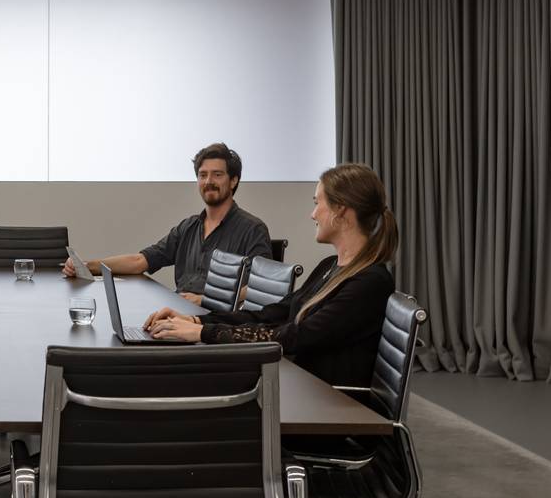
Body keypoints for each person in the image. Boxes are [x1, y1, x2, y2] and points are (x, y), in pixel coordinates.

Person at [143, 163, 397, 388]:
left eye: (317, 203)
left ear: (340, 211)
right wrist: (197, 322)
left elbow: (297, 337)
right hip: (301, 386)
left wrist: (203, 334)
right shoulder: (330, 265)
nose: (313, 214)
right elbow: (273, 314)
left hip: (328, 408)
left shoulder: (370, 281)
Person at [62, 142, 271, 304]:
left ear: (233, 180)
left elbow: (263, 287)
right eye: (202, 175)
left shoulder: (252, 229)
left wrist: (205, 300)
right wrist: (89, 266)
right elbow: (140, 261)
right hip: (180, 313)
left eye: (217, 175)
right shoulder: (188, 227)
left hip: (218, 322)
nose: (208, 182)